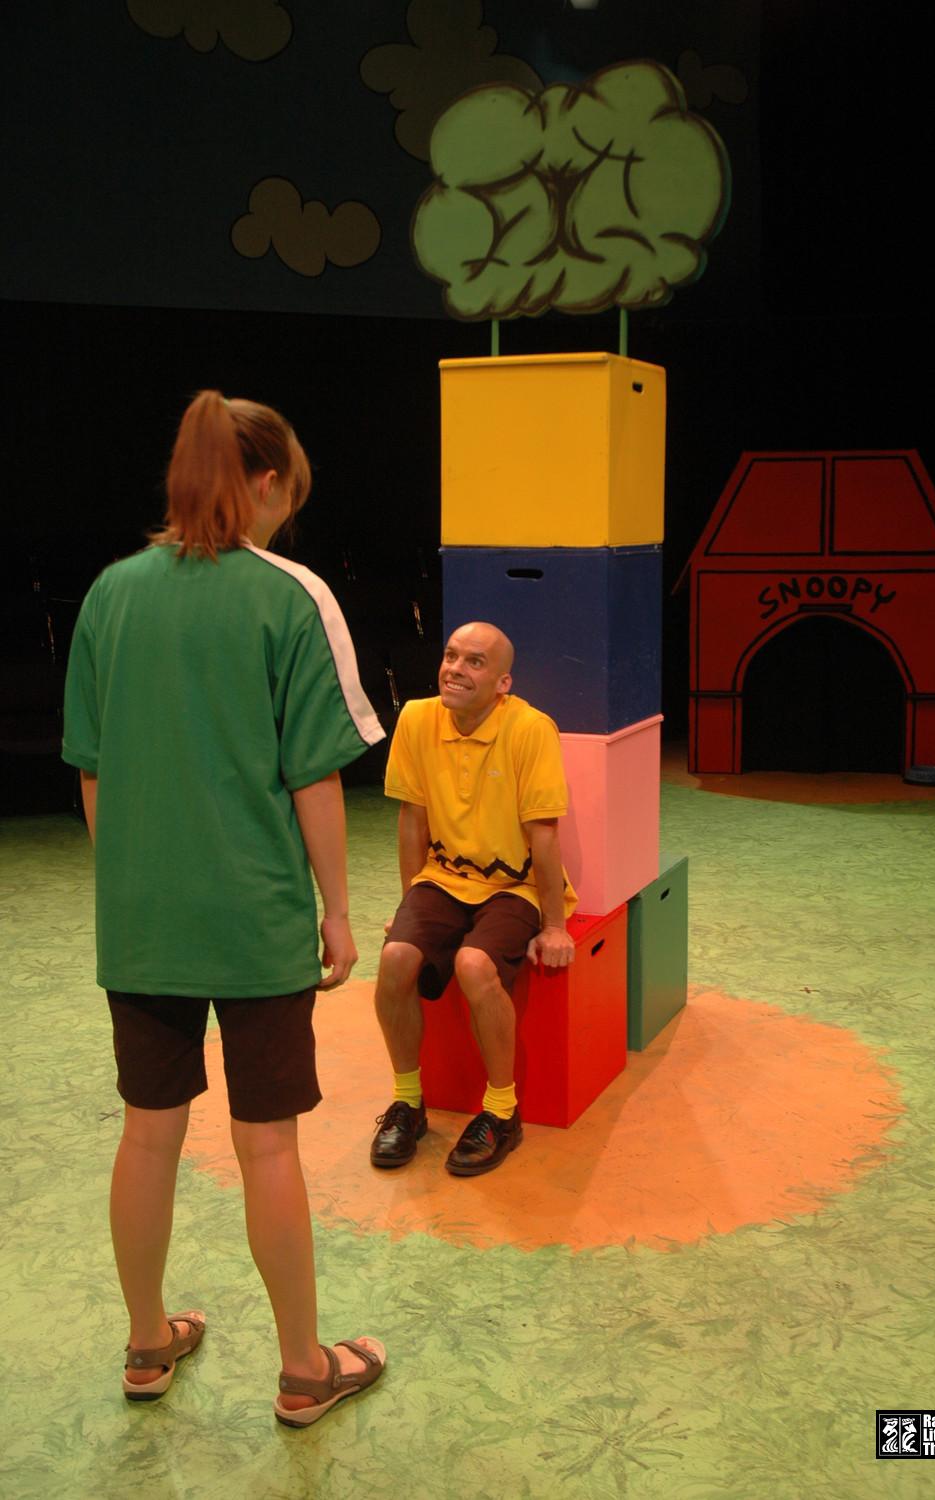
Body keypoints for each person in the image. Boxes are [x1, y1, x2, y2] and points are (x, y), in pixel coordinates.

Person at [62, 390, 388, 1427]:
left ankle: (146, 1344)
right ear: (264, 483)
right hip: (255, 922)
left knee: (147, 1136)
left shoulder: (110, 593)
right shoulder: (289, 597)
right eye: (290, 494)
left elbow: (92, 768)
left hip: (142, 924)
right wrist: (337, 911)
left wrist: (134, 886)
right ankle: (303, 1370)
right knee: (268, 1147)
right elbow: (314, 778)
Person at [370, 621, 577, 1176]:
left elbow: (544, 834)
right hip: (442, 877)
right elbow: (412, 819)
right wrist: (409, 905)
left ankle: (502, 1112)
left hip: (515, 885)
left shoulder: (531, 729)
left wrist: (554, 925)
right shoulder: (417, 718)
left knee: (474, 963)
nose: (455, 669)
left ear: (503, 682)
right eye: (451, 655)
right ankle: (408, 1103)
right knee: (395, 957)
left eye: (474, 662)